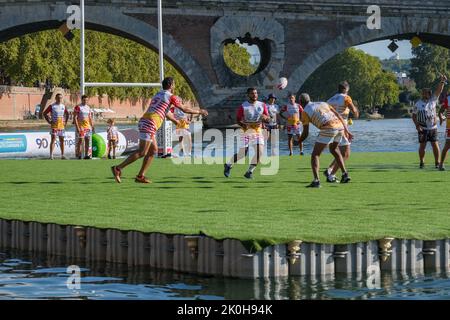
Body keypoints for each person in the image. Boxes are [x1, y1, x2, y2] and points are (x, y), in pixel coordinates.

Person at [111, 77, 208, 184]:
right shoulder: (171, 97)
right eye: (174, 84)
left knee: (153, 150)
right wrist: (200, 111)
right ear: (171, 85)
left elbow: (166, 113)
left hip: (146, 121)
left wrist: (177, 122)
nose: (175, 86)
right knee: (142, 152)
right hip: (150, 123)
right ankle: (118, 168)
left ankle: (140, 176)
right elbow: (184, 109)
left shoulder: (159, 95)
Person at [298, 93, 352, 188]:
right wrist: (346, 129)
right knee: (334, 149)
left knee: (315, 154)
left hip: (328, 127)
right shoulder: (323, 103)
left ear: (300, 102)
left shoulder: (305, 112)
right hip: (340, 127)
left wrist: (298, 141)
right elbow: (338, 115)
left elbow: (306, 133)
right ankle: (345, 174)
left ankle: (316, 181)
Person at [223, 88, 269, 179]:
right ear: (248, 95)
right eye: (252, 93)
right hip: (246, 132)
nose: (254, 95)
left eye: (256, 93)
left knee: (259, 153)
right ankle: (228, 165)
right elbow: (238, 120)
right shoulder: (244, 106)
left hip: (258, 131)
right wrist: (244, 126)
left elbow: (268, 118)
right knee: (242, 154)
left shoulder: (262, 105)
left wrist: (266, 118)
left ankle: (249, 172)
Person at [324, 81, 360, 183]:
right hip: (341, 128)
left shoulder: (330, 100)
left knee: (338, 152)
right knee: (346, 154)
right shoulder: (346, 98)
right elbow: (355, 112)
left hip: (330, 127)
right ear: (346, 89)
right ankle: (332, 175)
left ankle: (330, 170)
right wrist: (355, 111)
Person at [412, 74, 447, 169]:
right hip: (422, 127)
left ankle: (437, 162)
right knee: (422, 145)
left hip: (433, 127)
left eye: (425, 93)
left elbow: (439, 90)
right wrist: (417, 126)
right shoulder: (418, 104)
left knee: (435, 145)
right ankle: (422, 161)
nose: (423, 94)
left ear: (429, 94)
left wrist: (442, 81)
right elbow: (414, 116)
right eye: (423, 93)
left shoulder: (433, 100)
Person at [43, 93, 69, 160]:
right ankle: (51, 155)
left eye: (60, 98)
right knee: (53, 139)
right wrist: (49, 121)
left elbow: (67, 114)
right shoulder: (52, 106)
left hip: (61, 126)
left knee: (62, 140)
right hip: (54, 126)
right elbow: (44, 113)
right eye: (58, 98)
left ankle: (62, 155)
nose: (59, 99)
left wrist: (65, 122)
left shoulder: (63, 106)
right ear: (55, 98)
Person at [74, 95, 94, 159]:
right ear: (82, 100)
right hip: (81, 127)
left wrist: (92, 126)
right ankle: (78, 154)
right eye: (84, 100)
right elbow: (75, 118)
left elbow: (90, 118)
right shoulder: (78, 107)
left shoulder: (88, 107)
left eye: (87, 100)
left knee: (87, 140)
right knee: (80, 140)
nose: (85, 101)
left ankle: (86, 155)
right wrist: (77, 127)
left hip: (88, 127)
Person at [438, 89, 450, 170]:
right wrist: (441, 117)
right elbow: (441, 111)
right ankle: (441, 164)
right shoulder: (448, 98)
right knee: (447, 145)